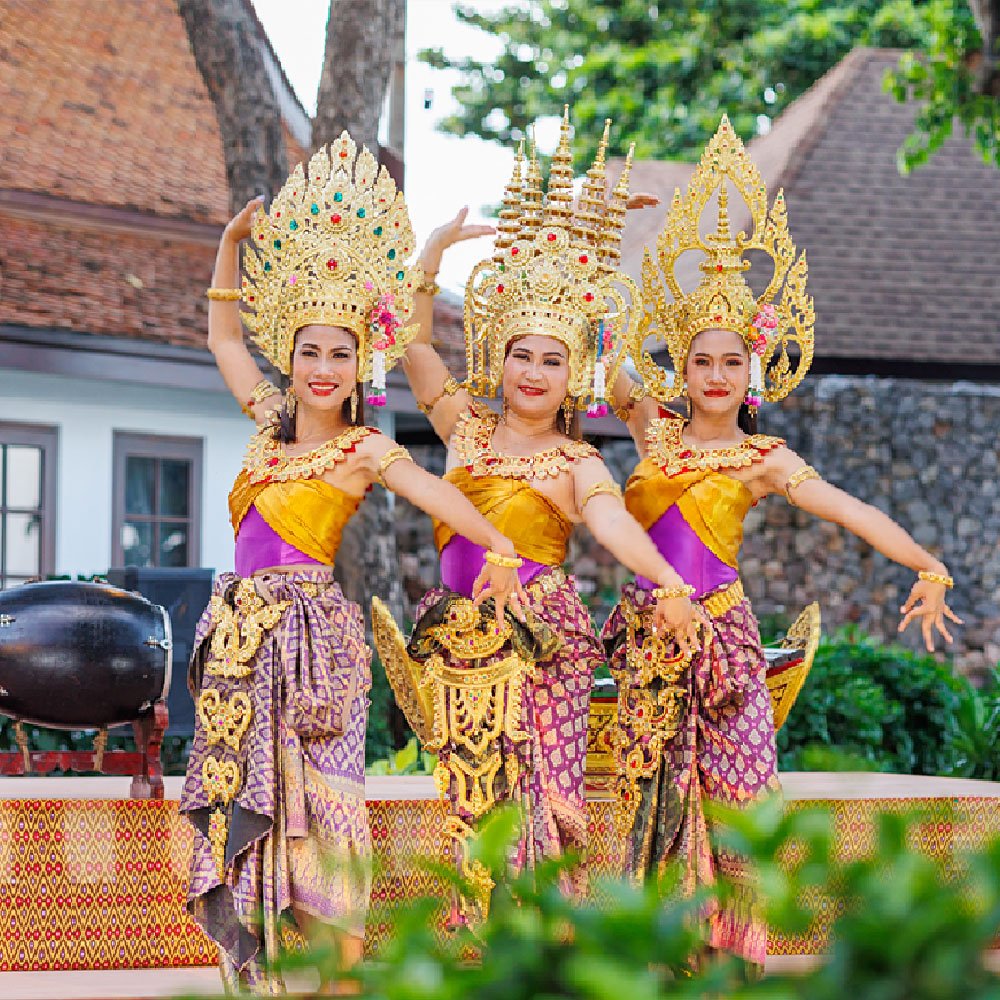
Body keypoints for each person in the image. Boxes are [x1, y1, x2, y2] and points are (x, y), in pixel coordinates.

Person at [603, 115, 961, 971]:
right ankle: (658, 958)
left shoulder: (764, 457)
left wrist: (927, 564)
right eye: (700, 362)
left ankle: (736, 958)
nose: (717, 376)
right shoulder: (651, 433)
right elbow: (600, 349)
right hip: (653, 633)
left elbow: (848, 510)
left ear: (750, 370)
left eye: (731, 361)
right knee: (654, 803)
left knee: (733, 799)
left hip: (721, 637)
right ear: (681, 372)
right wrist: (611, 239)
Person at [179, 132, 523, 994]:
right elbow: (226, 341)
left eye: (340, 353)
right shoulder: (265, 423)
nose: (323, 367)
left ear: (357, 365)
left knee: (323, 826)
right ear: (289, 362)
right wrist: (229, 248)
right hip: (241, 648)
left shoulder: (367, 446)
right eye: (309, 352)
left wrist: (499, 541)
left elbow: (436, 496)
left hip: (312, 645)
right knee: (252, 826)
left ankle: (340, 980)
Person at [374, 111, 697, 921]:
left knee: (540, 800)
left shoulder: (577, 462)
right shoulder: (464, 426)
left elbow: (617, 527)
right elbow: (413, 353)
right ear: (499, 357)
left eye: (553, 360)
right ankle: (475, 949)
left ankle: (545, 949)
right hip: (457, 636)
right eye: (521, 352)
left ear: (572, 376)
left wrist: (665, 579)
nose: (533, 370)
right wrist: (433, 256)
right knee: (470, 807)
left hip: (539, 635)